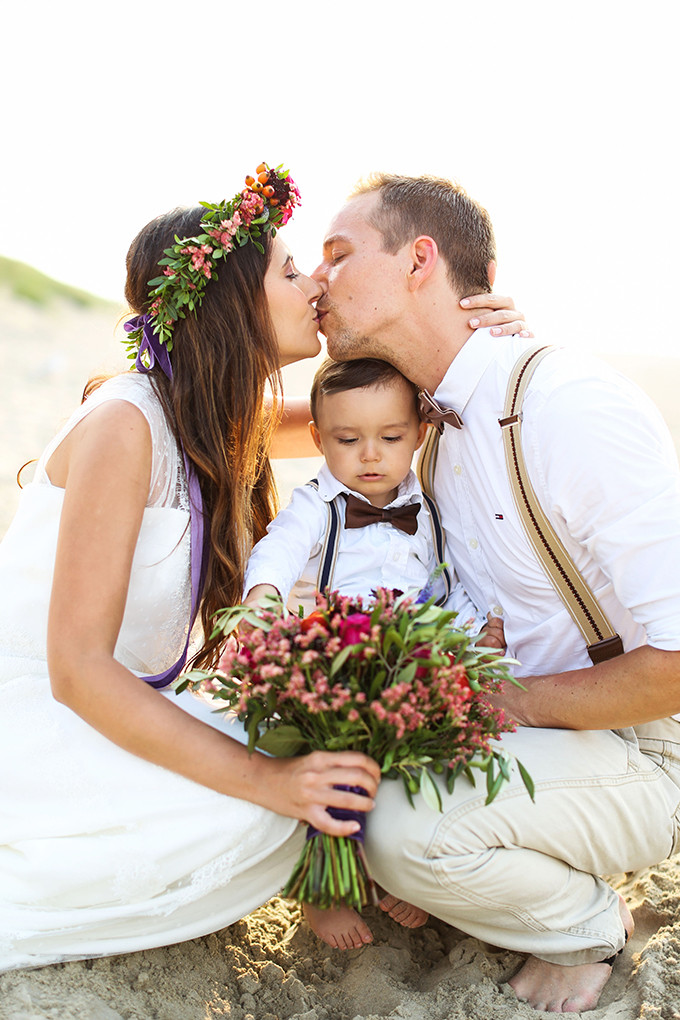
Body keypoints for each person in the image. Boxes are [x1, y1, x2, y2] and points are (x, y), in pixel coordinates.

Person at [0, 164, 526, 972]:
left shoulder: (216, 415)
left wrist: (480, 338)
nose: (316, 280)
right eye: (289, 269)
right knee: (275, 807)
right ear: (231, 303)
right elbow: (75, 670)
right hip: (45, 725)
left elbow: (380, 416)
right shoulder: (123, 425)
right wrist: (266, 784)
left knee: (319, 772)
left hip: (127, 704)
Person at [309, 172, 680, 1013]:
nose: (319, 279)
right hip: (520, 735)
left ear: (419, 261)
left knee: (401, 830)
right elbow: (288, 424)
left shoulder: (567, 406)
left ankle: (585, 925)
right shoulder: (429, 417)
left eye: (338, 255)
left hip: (637, 751)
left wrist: (500, 704)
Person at [243, 355, 505, 950]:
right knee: (339, 765)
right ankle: (325, 893)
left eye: (390, 438)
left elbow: (445, 583)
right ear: (316, 438)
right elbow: (279, 548)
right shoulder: (319, 505)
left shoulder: (429, 506)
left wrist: (476, 628)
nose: (370, 455)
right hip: (338, 660)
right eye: (347, 439)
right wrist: (264, 597)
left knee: (423, 763)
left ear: (419, 432)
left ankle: (406, 876)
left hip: (408, 663)